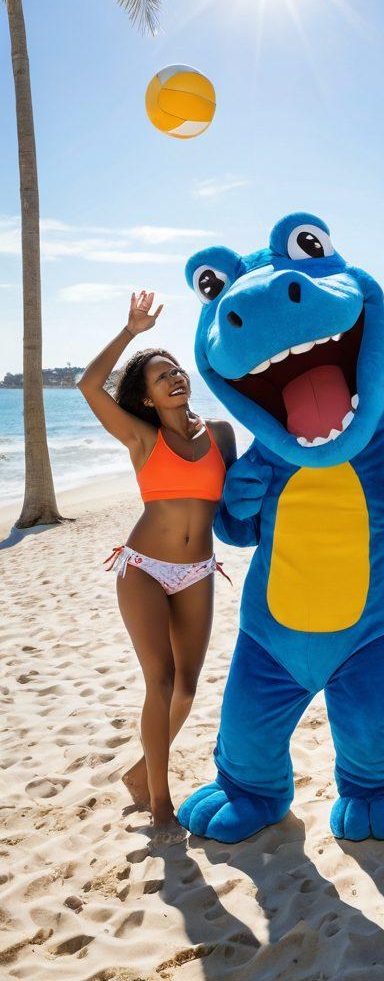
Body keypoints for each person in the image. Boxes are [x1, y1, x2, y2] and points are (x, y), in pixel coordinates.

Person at [78, 291, 236, 826]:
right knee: (161, 681)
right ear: (145, 399)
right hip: (143, 568)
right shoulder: (142, 439)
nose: (174, 378)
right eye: (160, 376)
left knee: (187, 689)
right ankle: (161, 804)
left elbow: (237, 501)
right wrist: (130, 333)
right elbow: (87, 386)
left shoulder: (219, 434)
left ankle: (143, 771)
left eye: (176, 371)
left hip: (198, 571)